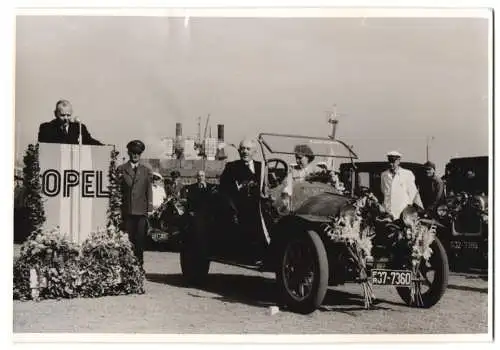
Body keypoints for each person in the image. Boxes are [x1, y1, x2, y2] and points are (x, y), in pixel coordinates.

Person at [117, 140, 153, 267]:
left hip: (141, 211)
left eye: (138, 153)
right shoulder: (121, 169)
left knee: (140, 241)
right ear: (128, 153)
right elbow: (117, 190)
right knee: (127, 240)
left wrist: (149, 208)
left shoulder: (146, 170)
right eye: (133, 153)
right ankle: (127, 266)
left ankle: (138, 266)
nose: (135, 155)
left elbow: (148, 189)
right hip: (127, 210)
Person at [37, 100, 103, 145]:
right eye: (62, 115)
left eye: (68, 115)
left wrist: (105, 147)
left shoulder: (79, 128)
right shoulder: (46, 128)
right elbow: (44, 148)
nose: (66, 118)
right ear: (55, 114)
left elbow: (90, 141)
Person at [380, 151, 423, 219]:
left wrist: (408, 206)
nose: (391, 164)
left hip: (402, 211)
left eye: (393, 161)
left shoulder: (407, 174)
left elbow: (412, 192)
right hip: (388, 210)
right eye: (389, 161)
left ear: (398, 161)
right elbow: (383, 190)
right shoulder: (384, 175)